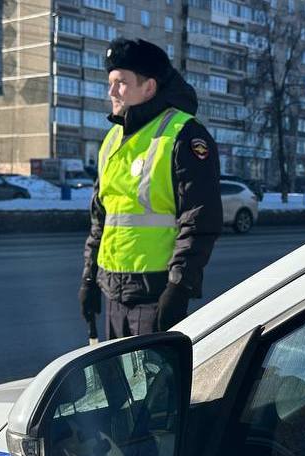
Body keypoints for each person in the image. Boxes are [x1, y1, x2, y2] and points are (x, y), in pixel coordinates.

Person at [79, 38, 222, 339]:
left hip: (156, 295)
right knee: (119, 383)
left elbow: (199, 220)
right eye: (110, 83)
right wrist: (89, 279)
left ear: (149, 87)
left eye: (120, 83)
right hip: (113, 293)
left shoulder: (184, 134)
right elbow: (100, 220)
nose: (111, 92)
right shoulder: (112, 140)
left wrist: (179, 287)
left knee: (155, 385)